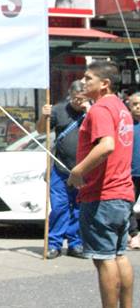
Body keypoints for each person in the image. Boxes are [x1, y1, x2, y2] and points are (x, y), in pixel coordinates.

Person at [68, 60, 134, 308]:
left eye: (88, 78)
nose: (83, 82)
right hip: (121, 192)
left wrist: (77, 171)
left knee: (104, 259)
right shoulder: (120, 107)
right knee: (118, 255)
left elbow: (107, 145)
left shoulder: (101, 108)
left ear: (104, 84)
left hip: (102, 194)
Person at [36, 81, 88, 259]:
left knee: (79, 208)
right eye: (76, 98)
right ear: (70, 94)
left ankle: (76, 243)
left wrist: (89, 111)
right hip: (60, 168)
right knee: (59, 207)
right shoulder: (59, 110)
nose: (78, 102)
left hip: (83, 169)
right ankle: (54, 244)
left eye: (82, 98)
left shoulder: (94, 111)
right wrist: (44, 116)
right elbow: (41, 130)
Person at [127, 92, 140, 250]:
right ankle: (134, 234)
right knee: (127, 206)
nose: (138, 107)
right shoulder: (126, 124)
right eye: (134, 104)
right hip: (130, 173)